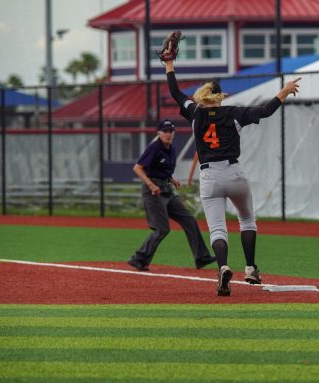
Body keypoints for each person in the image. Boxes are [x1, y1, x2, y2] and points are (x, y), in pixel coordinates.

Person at [164, 49, 301, 296]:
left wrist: (169, 63)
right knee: (247, 220)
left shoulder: (195, 113)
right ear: (220, 96)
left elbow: (175, 93)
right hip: (234, 173)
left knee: (217, 229)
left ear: (202, 96)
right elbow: (266, 111)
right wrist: (283, 91)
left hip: (209, 177)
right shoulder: (234, 112)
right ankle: (250, 268)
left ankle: (223, 267)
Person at [127, 119, 216, 272]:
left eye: (170, 131)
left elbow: (161, 170)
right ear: (159, 133)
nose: (168, 134)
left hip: (166, 190)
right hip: (153, 192)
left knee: (189, 220)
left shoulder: (171, 149)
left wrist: (172, 180)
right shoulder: (154, 147)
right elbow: (138, 168)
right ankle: (139, 258)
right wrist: (151, 185)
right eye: (165, 131)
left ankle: (201, 257)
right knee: (162, 228)